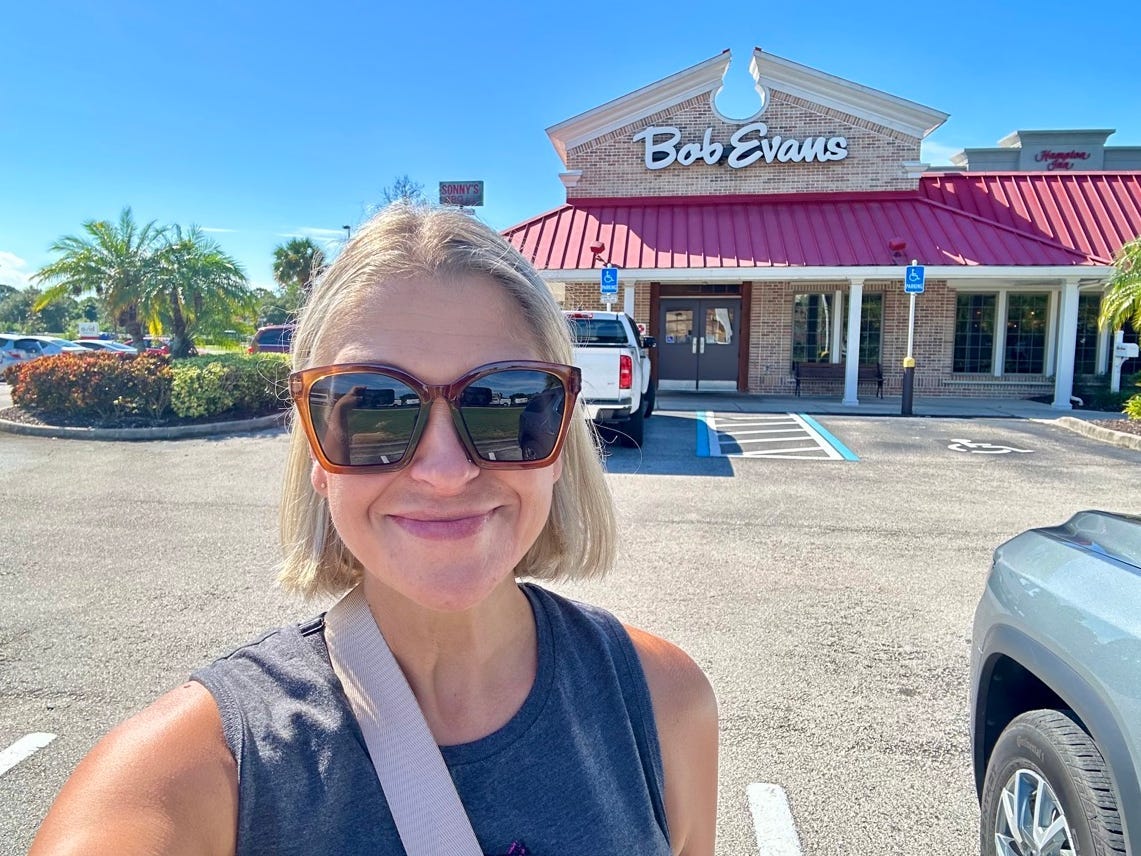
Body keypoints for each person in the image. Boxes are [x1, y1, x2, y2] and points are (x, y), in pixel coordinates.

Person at [30, 204, 719, 855]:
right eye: (374, 408)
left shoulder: (663, 701)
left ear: (562, 432)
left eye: (505, 403)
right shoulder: (196, 768)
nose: (444, 471)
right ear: (316, 456)